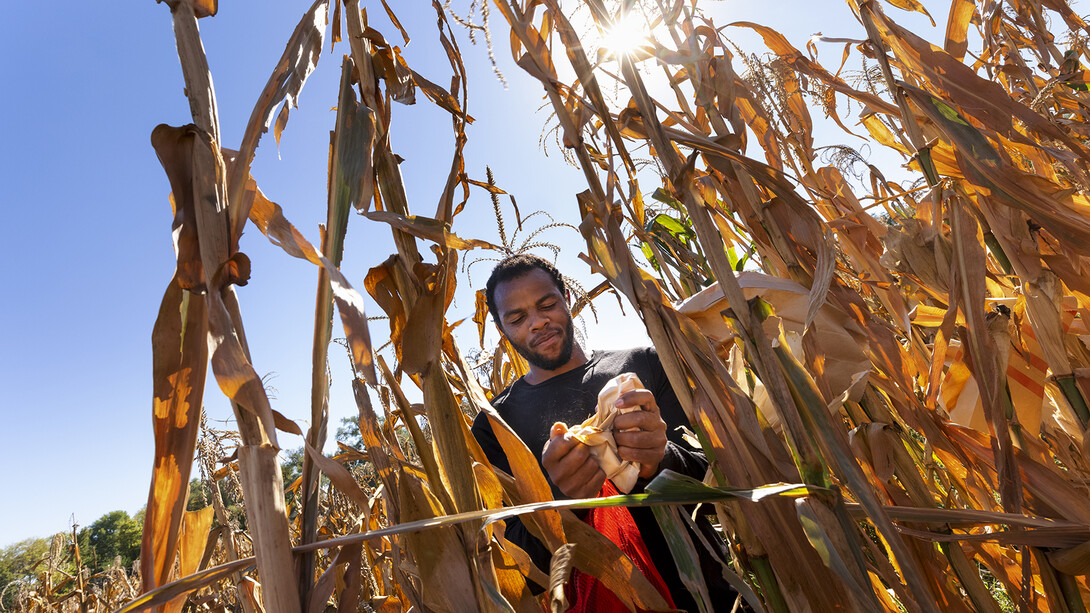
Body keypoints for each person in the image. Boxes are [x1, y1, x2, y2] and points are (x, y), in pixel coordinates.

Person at [470, 254, 736, 612]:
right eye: (517, 318)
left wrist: (661, 458)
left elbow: (722, 484)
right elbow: (514, 569)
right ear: (502, 329)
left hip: (711, 595)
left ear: (566, 297)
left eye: (547, 304)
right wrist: (560, 502)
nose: (537, 322)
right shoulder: (495, 424)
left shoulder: (645, 364)